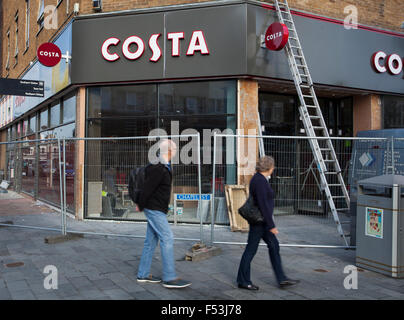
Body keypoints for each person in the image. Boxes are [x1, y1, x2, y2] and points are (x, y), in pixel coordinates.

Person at [237, 156, 299, 290]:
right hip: (260, 222)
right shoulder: (259, 181)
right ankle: (243, 280)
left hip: (262, 221)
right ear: (269, 168)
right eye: (273, 166)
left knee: (274, 246)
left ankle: (282, 278)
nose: (274, 168)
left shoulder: (260, 179)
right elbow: (263, 205)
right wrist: (271, 225)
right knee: (251, 250)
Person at [136, 139, 192, 289]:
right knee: (167, 237)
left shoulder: (163, 166)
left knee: (151, 241)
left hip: (156, 208)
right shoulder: (159, 168)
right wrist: (141, 204)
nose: (175, 153)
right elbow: (148, 188)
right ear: (169, 151)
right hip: (154, 209)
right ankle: (169, 277)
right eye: (174, 151)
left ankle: (143, 274)